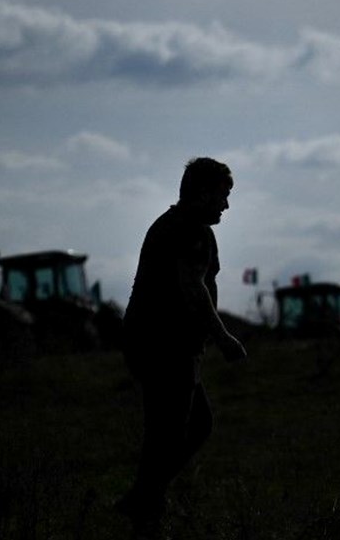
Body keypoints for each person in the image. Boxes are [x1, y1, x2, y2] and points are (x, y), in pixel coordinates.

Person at [115, 157, 248, 535]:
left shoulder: (171, 224)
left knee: (190, 425)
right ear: (203, 193)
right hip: (167, 345)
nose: (225, 205)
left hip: (152, 342)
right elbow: (193, 287)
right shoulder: (190, 230)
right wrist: (224, 338)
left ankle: (144, 499)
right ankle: (144, 508)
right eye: (222, 196)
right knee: (173, 431)